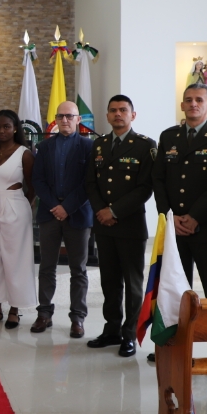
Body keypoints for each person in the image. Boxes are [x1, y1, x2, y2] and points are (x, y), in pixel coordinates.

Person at [153, 82, 207, 359]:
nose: (193, 104)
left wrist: (195, 217)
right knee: (176, 289)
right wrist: (170, 217)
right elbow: (159, 180)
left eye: (199, 100)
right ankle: (177, 347)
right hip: (175, 228)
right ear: (182, 105)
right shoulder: (169, 137)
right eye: (188, 100)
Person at [84, 95, 156, 358]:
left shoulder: (145, 145)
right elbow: (90, 183)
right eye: (113, 110)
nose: (118, 114)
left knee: (133, 284)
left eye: (123, 110)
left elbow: (145, 188)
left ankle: (129, 335)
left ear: (132, 115)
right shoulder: (100, 145)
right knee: (110, 282)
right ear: (107, 115)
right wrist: (102, 212)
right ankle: (111, 329)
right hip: (104, 226)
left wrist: (113, 211)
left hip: (130, 226)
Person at [31, 101, 94, 337]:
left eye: (70, 116)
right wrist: (55, 206)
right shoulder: (44, 147)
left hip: (77, 213)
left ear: (79, 120)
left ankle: (77, 318)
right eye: (61, 116)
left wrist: (66, 207)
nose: (65, 120)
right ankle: (44, 314)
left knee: (78, 269)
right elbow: (38, 180)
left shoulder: (88, 147)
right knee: (47, 266)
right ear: (55, 120)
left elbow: (88, 183)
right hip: (49, 213)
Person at [0, 109, 36, 329]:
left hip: (15, 206)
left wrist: (24, 205)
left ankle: (15, 309)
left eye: (7, 127)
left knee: (15, 258)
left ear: (15, 129)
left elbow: (33, 186)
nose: (2, 131)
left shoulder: (24, 153)